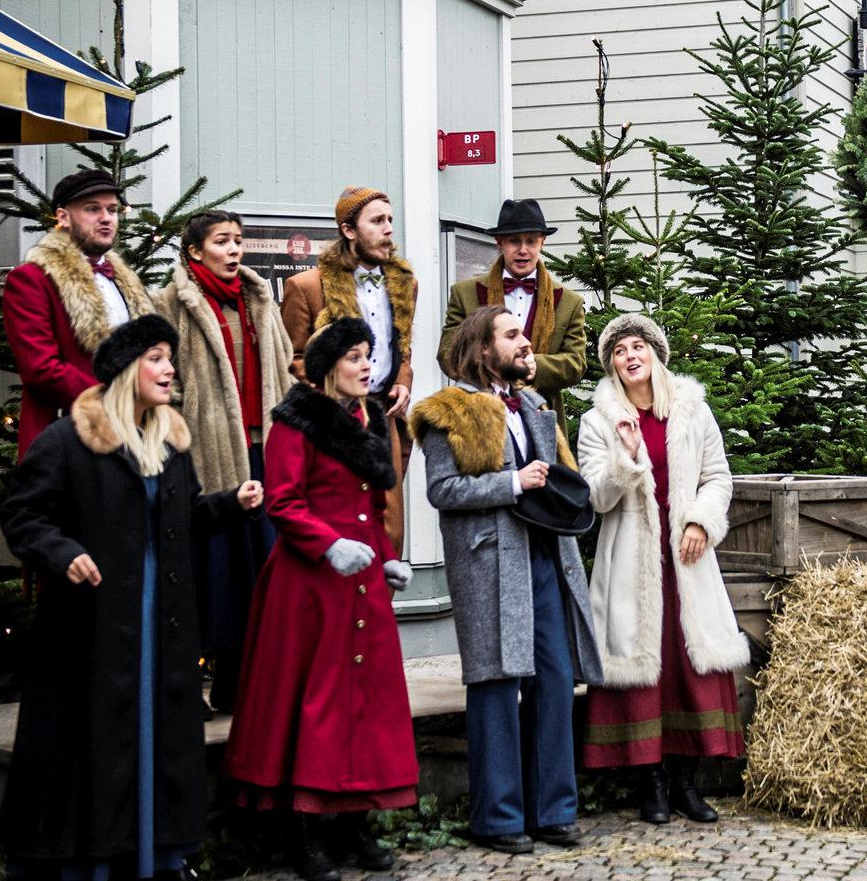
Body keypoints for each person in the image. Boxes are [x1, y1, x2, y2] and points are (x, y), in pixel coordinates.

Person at [0, 315, 264, 879]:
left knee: (156, 736)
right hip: (93, 625)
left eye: (171, 358)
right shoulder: (70, 439)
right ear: (126, 370)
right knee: (98, 741)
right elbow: (22, 513)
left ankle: (158, 857)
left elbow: (183, 516)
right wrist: (61, 552)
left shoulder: (170, 440)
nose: (170, 369)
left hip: (159, 619)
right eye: (157, 358)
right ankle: (93, 863)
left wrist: (228, 504)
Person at [224, 318, 416, 880]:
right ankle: (304, 833)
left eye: (368, 356)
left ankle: (354, 822)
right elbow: (283, 501)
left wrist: (386, 557)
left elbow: (373, 507)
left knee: (365, 703)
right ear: (330, 364)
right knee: (317, 703)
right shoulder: (296, 421)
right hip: (310, 586)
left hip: (362, 584)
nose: (365, 366)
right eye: (354, 357)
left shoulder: (371, 418)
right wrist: (329, 544)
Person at [412, 306, 602, 855]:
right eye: (513, 336)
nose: (526, 345)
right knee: (496, 686)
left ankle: (555, 811)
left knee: (554, 679)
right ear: (482, 349)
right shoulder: (446, 413)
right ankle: (497, 819)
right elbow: (442, 492)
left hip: (546, 560)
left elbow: (563, 481)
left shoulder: (537, 406)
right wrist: (510, 483)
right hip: (492, 565)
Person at [577, 313, 749, 824]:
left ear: (655, 354)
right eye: (620, 350)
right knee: (641, 668)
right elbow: (595, 498)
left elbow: (718, 477)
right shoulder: (598, 421)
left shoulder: (693, 412)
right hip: (630, 560)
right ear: (612, 365)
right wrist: (626, 458)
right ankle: (649, 784)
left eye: (639, 347)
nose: (630, 356)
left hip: (687, 560)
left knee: (686, 666)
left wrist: (701, 521)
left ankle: (685, 784)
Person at [154, 209, 292, 714]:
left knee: (261, 569)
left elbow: (283, 368)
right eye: (222, 241)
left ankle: (242, 687)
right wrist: (183, 431)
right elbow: (165, 382)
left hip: (263, 449)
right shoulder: (170, 304)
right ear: (194, 251)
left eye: (238, 241)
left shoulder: (259, 301)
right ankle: (192, 688)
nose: (234, 250)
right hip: (208, 454)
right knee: (214, 573)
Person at [281, 186, 417, 550]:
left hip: (383, 416)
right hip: (333, 421)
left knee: (389, 528)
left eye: (390, 220)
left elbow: (403, 349)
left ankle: (380, 605)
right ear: (349, 230)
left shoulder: (405, 284)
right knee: (342, 520)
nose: (388, 229)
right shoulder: (306, 287)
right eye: (377, 221)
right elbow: (292, 358)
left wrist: (403, 380)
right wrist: (333, 395)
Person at [3, 169, 151, 460]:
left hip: (133, 436)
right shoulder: (32, 279)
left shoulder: (124, 281)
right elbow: (41, 369)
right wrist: (115, 400)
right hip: (70, 439)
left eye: (112, 209)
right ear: (63, 217)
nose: (107, 218)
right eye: (92, 209)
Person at [440, 198, 589, 423]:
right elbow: (448, 354)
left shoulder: (568, 302)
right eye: (513, 241)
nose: (523, 250)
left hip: (542, 417)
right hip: (478, 416)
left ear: (543, 242)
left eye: (531, 241)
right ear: (499, 242)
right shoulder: (465, 293)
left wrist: (534, 366)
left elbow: (576, 363)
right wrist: (495, 367)